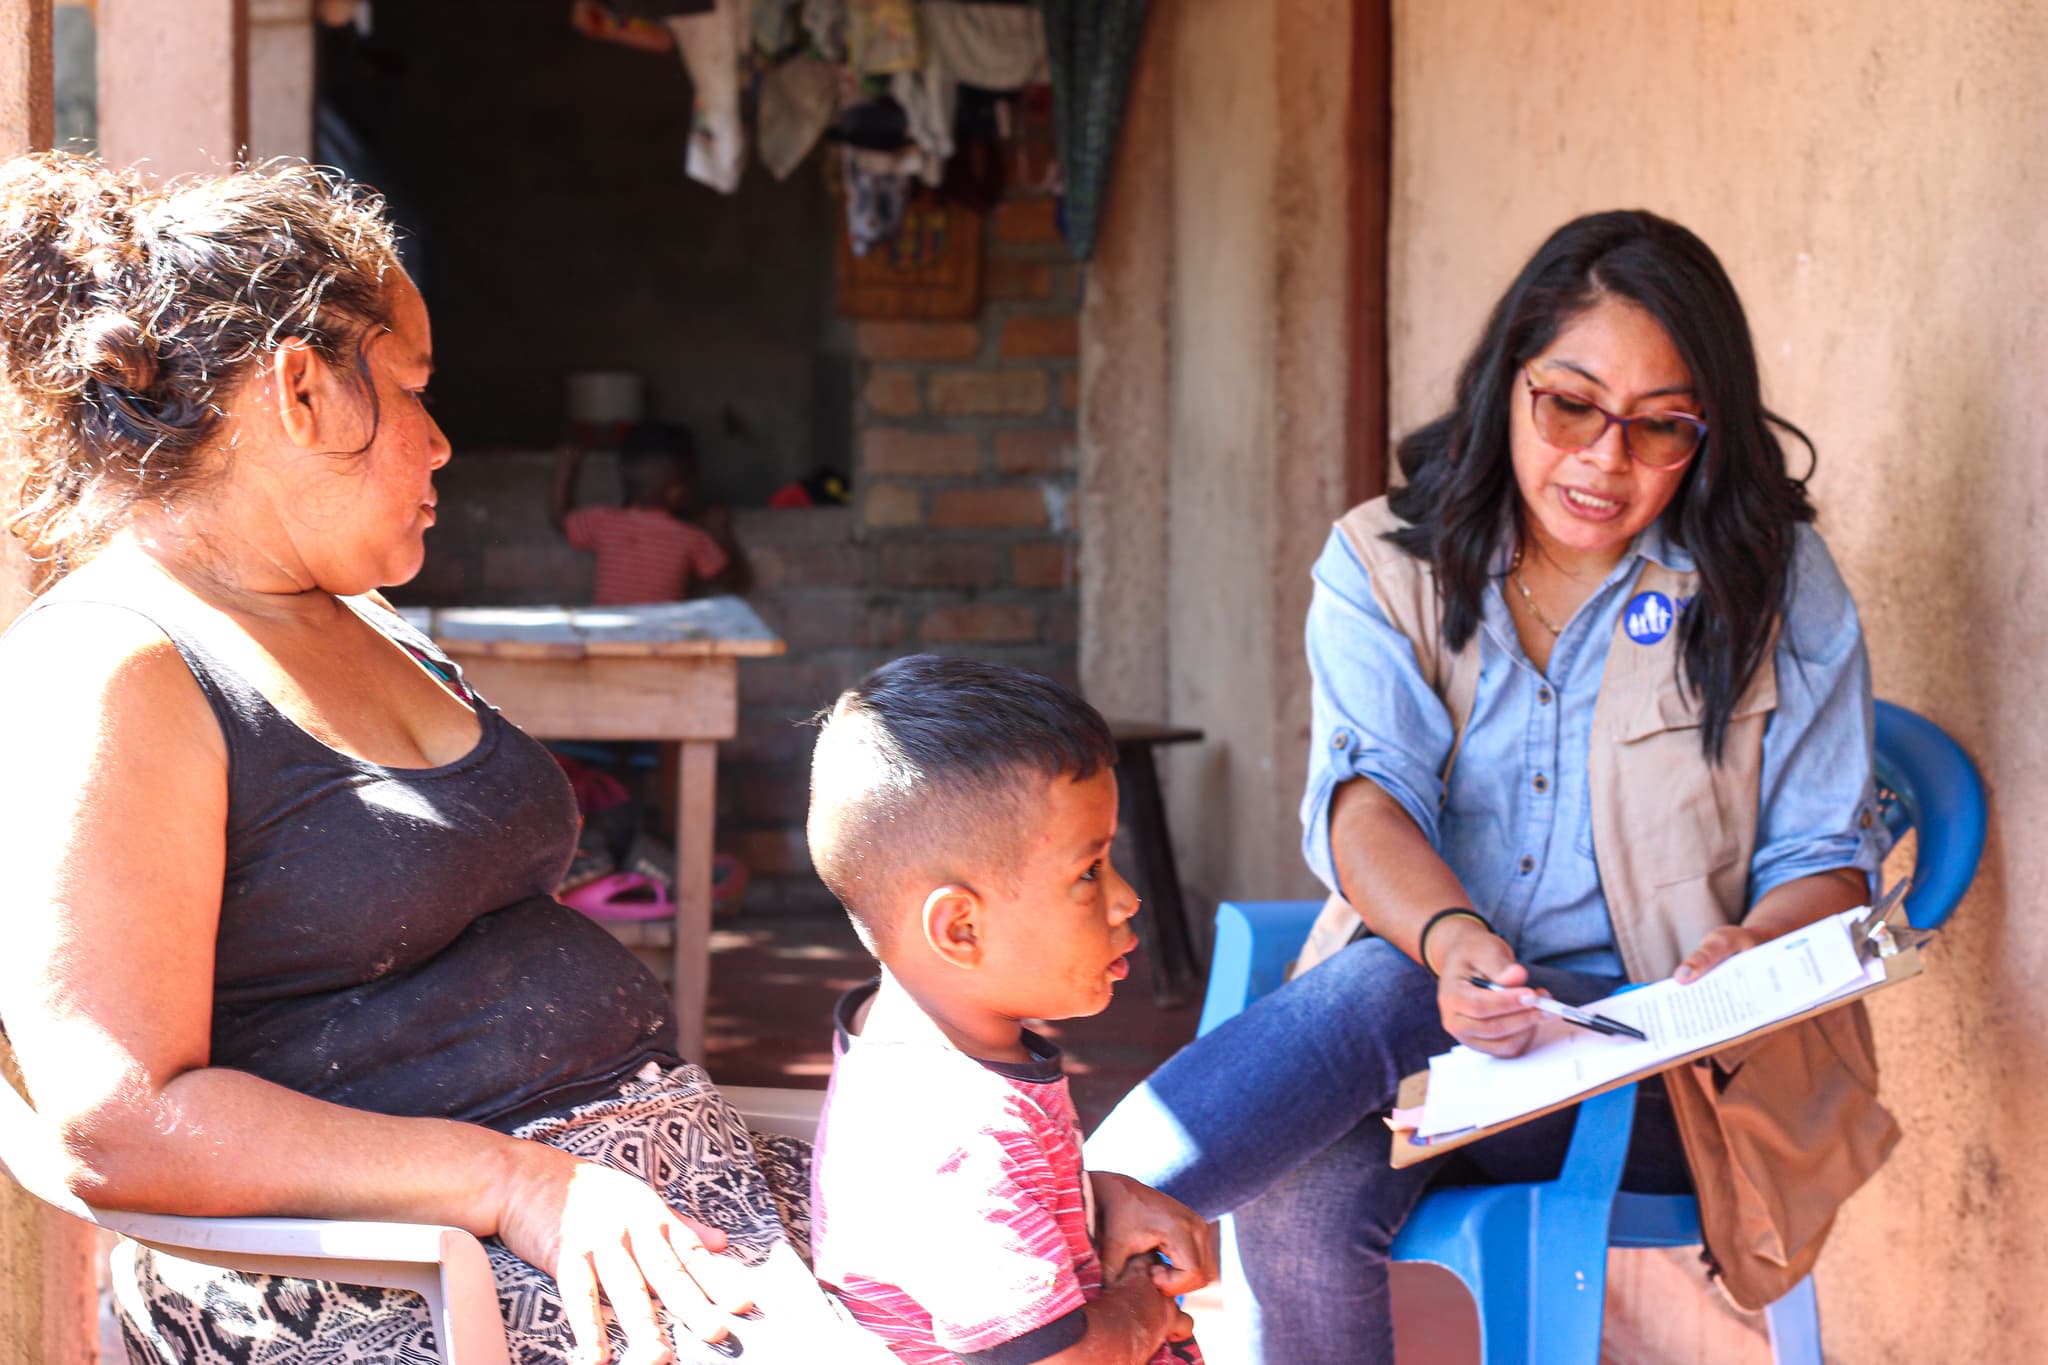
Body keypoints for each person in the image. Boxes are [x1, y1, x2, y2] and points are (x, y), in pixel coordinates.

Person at [0, 152, 886, 1365]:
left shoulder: (351, 613)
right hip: (408, 1276)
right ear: (300, 392)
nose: (439, 443)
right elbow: (120, 1122)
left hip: (639, 1202)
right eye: (411, 389)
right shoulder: (114, 671)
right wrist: (515, 1186)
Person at [1085, 210, 1897, 1364]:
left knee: (1372, 994)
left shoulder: (1770, 581)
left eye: (1660, 428)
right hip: (1438, 1048)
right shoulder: (1385, 564)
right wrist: (1454, 941)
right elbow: (1365, 801)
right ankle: (1090, 1218)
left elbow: (1822, 854)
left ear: (1707, 437)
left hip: (1668, 1079)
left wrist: (1745, 949)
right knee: (1303, 1168)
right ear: (1505, 383)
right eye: (1569, 405)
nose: (1602, 461)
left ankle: (1072, 1225)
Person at [805, 655, 1215, 1364]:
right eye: (1089, 872)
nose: (1126, 899)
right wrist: (1145, 1302)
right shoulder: (951, 1133)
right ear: (960, 929)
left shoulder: (930, 1044)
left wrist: (1096, 1197)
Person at [551, 420, 750, 606]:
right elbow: (736, 580)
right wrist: (721, 530)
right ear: (678, 491)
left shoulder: (604, 522)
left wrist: (566, 469)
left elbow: (560, 520)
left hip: (607, 639)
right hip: (662, 639)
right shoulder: (690, 538)